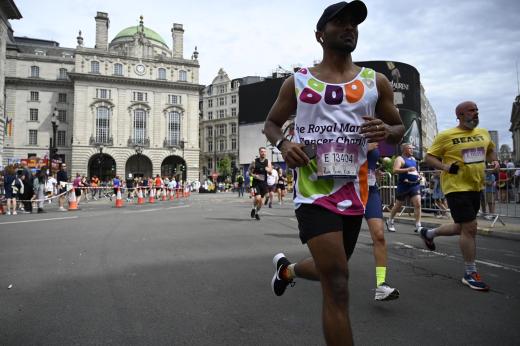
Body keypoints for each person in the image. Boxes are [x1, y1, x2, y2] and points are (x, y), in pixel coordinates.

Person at [263, 2, 404, 344]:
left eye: (353, 23)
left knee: (333, 267)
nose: (349, 27)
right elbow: (271, 123)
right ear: (319, 35)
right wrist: (283, 145)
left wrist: (386, 131)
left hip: (356, 193)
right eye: (339, 22)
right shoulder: (298, 82)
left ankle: (288, 270)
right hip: (314, 193)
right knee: (338, 282)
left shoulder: (376, 82)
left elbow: (399, 127)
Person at [422, 101, 499, 291]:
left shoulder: (483, 133)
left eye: (476, 110)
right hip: (455, 187)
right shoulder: (446, 135)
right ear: (460, 115)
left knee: (462, 227)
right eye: (471, 111)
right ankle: (470, 272)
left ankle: (429, 233)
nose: (475, 113)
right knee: (470, 228)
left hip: (476, 185)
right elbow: (429, 157)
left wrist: (495, 161)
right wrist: (446, 167)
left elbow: (489, 150)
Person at [386, 143, 422, 233]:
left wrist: (419, 176)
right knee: (398, 205)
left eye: (412, 148)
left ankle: (418, 225)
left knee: (418, 204)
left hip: (414, 185)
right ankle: (390, 220)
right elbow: (394, 170)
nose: (412, 150)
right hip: (403, 186)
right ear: (404, 150)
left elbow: (415, 171)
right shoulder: (400, 159)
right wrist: (407, 169)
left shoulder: (413, 159)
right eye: (410, 148)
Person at [248, 147, 272, 220]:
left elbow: (270, 172)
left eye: (264, 152)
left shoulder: (268, 162)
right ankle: (253, 208)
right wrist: (254, 175)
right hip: (256, 183)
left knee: (262, 201)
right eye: (262, 151)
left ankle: (256, 212)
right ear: (259, 152)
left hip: (264, 183)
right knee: (258, 199)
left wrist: (268, 170)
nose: (263, 153)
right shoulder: (254, 162)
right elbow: (249, 172)